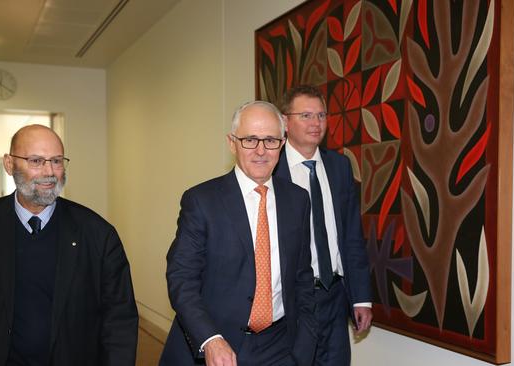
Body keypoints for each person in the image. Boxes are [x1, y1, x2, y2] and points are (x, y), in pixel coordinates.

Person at [0, 124, 138, 365]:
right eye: (36, 161)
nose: (49, 172)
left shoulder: (98, 234)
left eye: (56, 161)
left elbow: (119, 320)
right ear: (9, 164)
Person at [159, 101, 317, 366]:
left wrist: (304, 344)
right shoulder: (201, 201)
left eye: (270, 140)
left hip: (280, 347)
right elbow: (181, 278)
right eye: (250, 140)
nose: (260, 151)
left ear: (282, 142)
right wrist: (210, 339)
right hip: (217, 346)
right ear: (232, 143)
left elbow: (302, 277)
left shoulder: (298, 200)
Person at [275, 85, 373, 366]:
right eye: (305, 115)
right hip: (294, 300)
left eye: (321, 115)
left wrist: (362, 298)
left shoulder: (339, 167)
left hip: (335, 296)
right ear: (285, 121)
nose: (316, 123)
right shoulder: (271, 171)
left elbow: (352, 236)